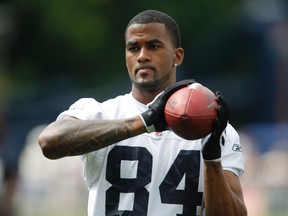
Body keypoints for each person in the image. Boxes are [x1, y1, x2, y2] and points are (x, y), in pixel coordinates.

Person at [38, 10, 247, 216]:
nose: (142, 56)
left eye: (154, 46)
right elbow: (50, 142)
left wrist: (212, 159)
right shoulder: (99, 111)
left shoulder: (214, 129)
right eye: (133, 48)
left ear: (178, 56)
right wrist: (145, 121)